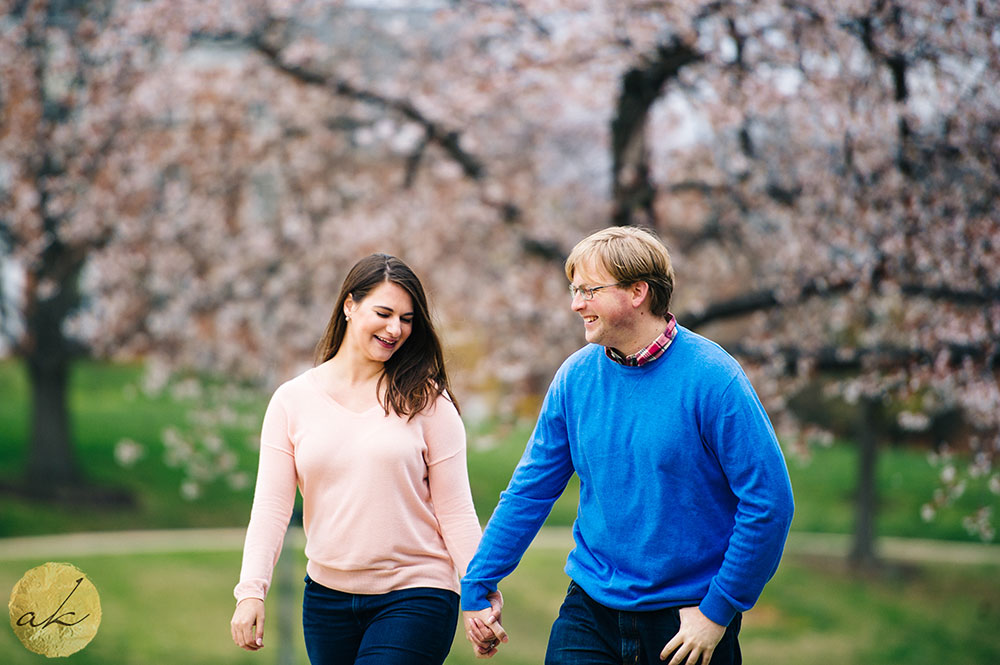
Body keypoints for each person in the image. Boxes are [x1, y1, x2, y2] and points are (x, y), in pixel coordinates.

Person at [462, 226, 794, 665]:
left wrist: (718, 611)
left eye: (589, 290)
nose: (576, 303)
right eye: (574, 289)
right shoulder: (575, 378)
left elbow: (769, 502)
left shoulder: (714, 378)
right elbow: (530, 490)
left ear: (638, 291)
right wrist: (478, 582)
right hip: (590, 609)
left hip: (686, 619)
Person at [231, 253, 495, 665]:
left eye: (407, 319)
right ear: (349, 306)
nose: (396, 329)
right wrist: (251, 591)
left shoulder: (428, 402)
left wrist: (479, 593)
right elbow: (271, 508)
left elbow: (457, 511)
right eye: (384, 313)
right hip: (326, 601)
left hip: (417, 593)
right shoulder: (291, 401)